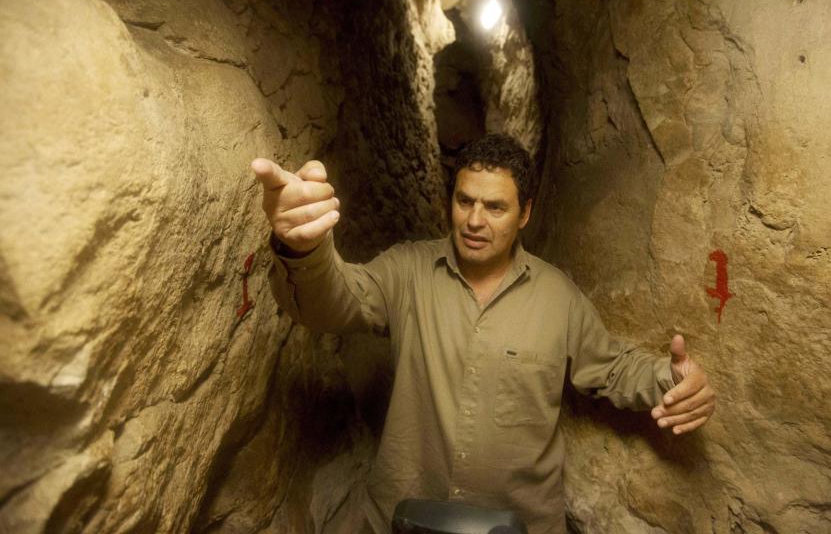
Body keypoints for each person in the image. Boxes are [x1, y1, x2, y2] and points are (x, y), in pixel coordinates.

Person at [252, 134, 716, 534]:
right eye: (465, 200)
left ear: (525, 213)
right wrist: (305, 248)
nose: (475, 221)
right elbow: (333, 301)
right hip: (405, 520)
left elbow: (612, 367)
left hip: (519, 527)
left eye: (495, 207)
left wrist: (670, 381)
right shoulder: (407, 270)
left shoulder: (557, 297)